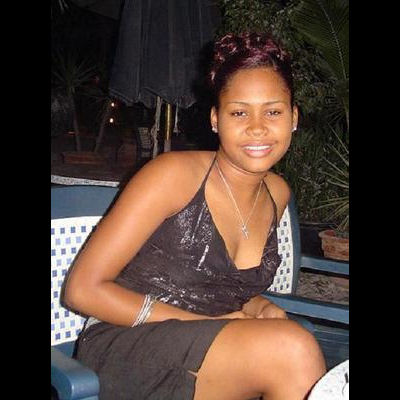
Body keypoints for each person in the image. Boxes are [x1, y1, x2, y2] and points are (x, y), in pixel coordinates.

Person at [65, 32, 326, 400]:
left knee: (291, 346)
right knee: (293, 350)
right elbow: (81, 290)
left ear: (293, 117)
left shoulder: (277, 193)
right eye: (239, 112)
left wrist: (260, 305)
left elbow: (220, 288)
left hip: (209, 347)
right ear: (216, 119)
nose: (257, 127)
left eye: (273, 111)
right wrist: (207, 322)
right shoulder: (172, 175)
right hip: (127, 342)